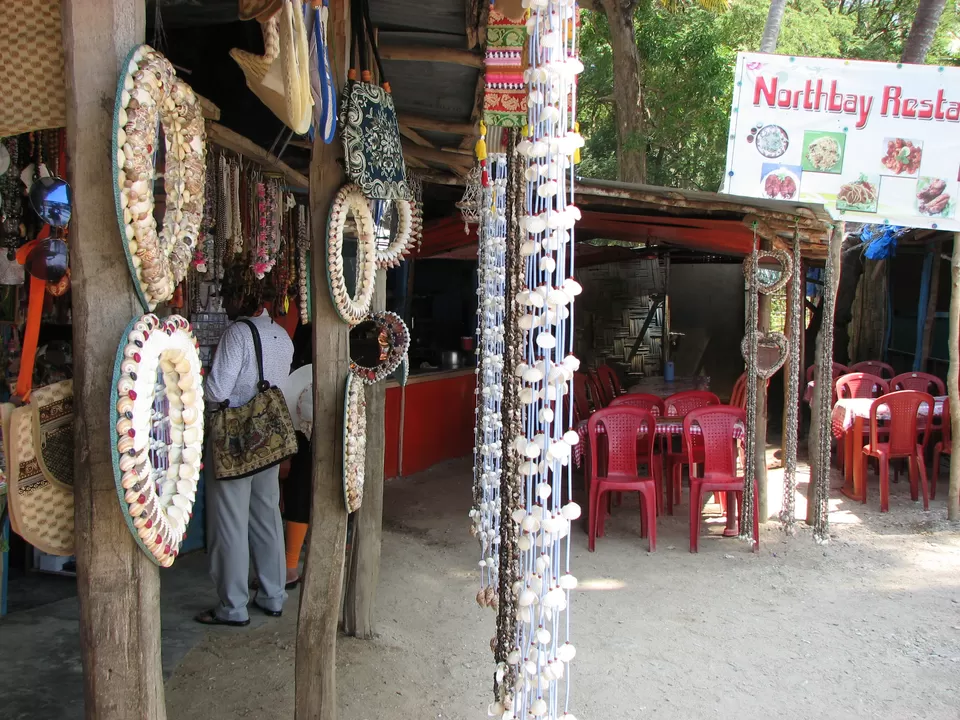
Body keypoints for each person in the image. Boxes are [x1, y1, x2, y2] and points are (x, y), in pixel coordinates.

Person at [195, 270, 294, 627]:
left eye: (230, 296)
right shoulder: (283, 336)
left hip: (236, 440)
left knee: (230, 523)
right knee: (267, 515)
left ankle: (233, 606)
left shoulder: (237, 334)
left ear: (243, 298)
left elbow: (216, 391)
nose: (227, 303)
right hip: (269, 439)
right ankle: (272, 594)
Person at [280, 321, 312, 586]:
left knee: (298, 499)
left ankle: (290, 568)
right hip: (321, 438)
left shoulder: (297, 378)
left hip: (302, 439)